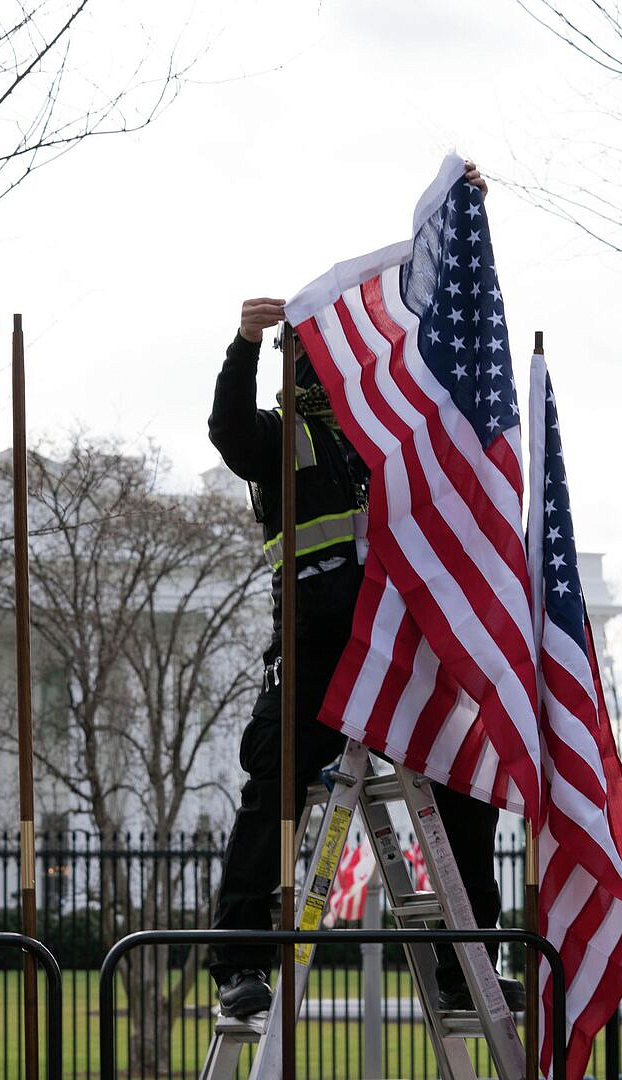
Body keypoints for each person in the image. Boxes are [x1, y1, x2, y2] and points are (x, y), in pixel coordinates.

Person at [204, 162, 521, 1021]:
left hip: (401, 636)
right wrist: (241, 346)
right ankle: (239, 962)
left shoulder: (388, 432)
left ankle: (468, 964)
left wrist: (460, 234)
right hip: (314, 643)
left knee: (464, 784)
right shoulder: (276, 440)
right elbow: (227, 427)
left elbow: (446, 369)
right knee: (273, 790)